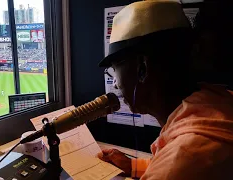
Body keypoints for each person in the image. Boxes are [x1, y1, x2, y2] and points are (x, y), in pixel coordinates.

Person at [97, 1, 233, 180]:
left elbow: (177, 165)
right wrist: (133, 166)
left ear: (142, 68)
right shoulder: (218, 104)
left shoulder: (183, 156)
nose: (115, 83)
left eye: (115, 69)